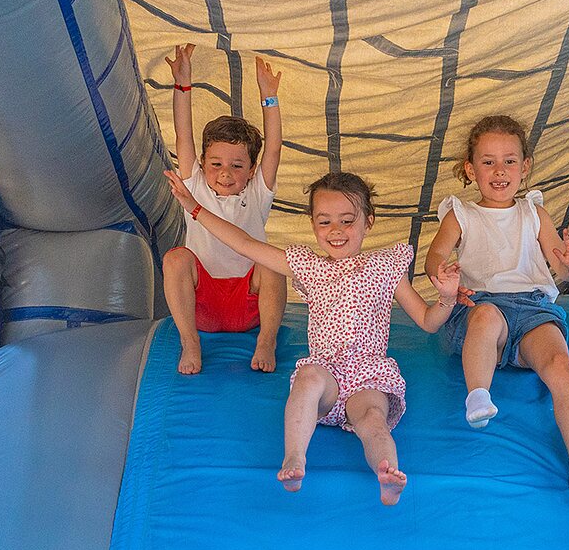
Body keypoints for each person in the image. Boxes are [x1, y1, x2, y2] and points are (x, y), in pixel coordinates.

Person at [163, 168, 461, 506]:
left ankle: (387, 474)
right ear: (313, 225)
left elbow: (427, 321)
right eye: (324, 222)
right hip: (326, 374)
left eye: (347, 221)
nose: (336, 231)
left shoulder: (385, 266)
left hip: (368, 375)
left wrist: (447, 299)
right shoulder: (308, 265)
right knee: (307, 378)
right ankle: (295, 458)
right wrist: (195, 208)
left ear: (369, 221)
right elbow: (245, 244)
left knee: (373, 421)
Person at [424, 115, 569, 495]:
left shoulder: (532, 212)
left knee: (559, 363)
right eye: (488, 161)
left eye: (509, 161)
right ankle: (478, 394)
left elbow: (561, 268)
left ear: (525, 167)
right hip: (481, 303)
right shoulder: (461, 214)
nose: (499, 171)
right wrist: (442, 274)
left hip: (532, 306)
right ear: (470, 168)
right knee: (487, 317)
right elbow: (435, 254)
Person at [161, 43, 287, 375]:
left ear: (251, 169)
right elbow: (182, 135)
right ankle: (190, 343)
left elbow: (273, 148)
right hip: (204, 303)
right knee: (175, 258)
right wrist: (182, 84)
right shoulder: (196, 185)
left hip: (248, 303)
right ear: (203, 163)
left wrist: (269, 98)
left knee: (271, 259)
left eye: (236, 165)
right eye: (215, 163)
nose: (225, 173)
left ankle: (266, 341)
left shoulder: (257, 192)